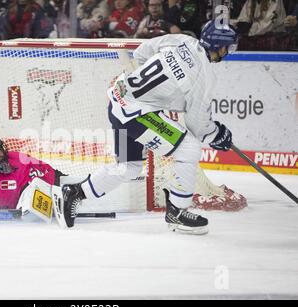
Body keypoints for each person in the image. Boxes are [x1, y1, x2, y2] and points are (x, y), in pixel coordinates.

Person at [61, 19, 238, 235]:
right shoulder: (205, 77)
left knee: (128, 167)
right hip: (135, 115)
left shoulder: (182, 41)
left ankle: (76, 192)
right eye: (229, 47)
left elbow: (143, 51)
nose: (228, 51)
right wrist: (218, 134)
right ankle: (178, 212)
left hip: (118, 101)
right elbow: (197, 125)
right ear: (221, 47)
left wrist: (157, 92)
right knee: (189, 148)